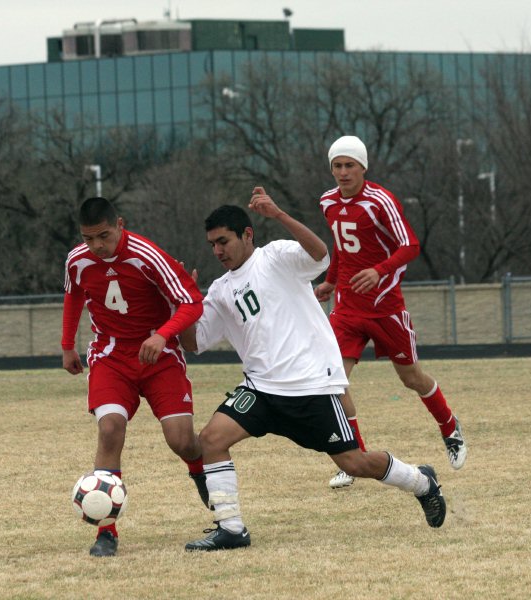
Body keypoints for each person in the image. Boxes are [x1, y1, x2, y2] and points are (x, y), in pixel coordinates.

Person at [179, 189, 447, 552]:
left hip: (311, 387)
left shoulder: (275, 256)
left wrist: (278, 215)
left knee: (354, 463)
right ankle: (231, 528)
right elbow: (194, 343)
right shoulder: (221, 291)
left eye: (223, 241)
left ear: (247, 235)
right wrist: (185, 302)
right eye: (212, 244)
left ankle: (421, 482)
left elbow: (321, 255)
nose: (218, 251)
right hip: (260, 390)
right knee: (210, 440)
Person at [315, 135, 467, 490]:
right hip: (348, 309)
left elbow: (410, 245)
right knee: (332, 383)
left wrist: (379, 271)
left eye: (349, 165)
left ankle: (450, 427)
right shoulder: (327, 201)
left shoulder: (380, 201)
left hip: (385, 308)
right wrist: (332, 280)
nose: (342, 172)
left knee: (412, 378)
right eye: (337, 165)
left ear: (363, 167)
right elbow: (342, 246)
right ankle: (356, 459)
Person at [62, 197, 207, 557]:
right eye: (88, 238)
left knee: (181, 440)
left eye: (104, 236)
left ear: (121, 224)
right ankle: (106, 532)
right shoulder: (77, 260)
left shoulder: (147, 255)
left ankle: (198, 469)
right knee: (110, 428)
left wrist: (162, 335)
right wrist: (67, 345)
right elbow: (73, 296)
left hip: (159, 355)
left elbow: (192, 301)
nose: (97, 245)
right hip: (111, 355)